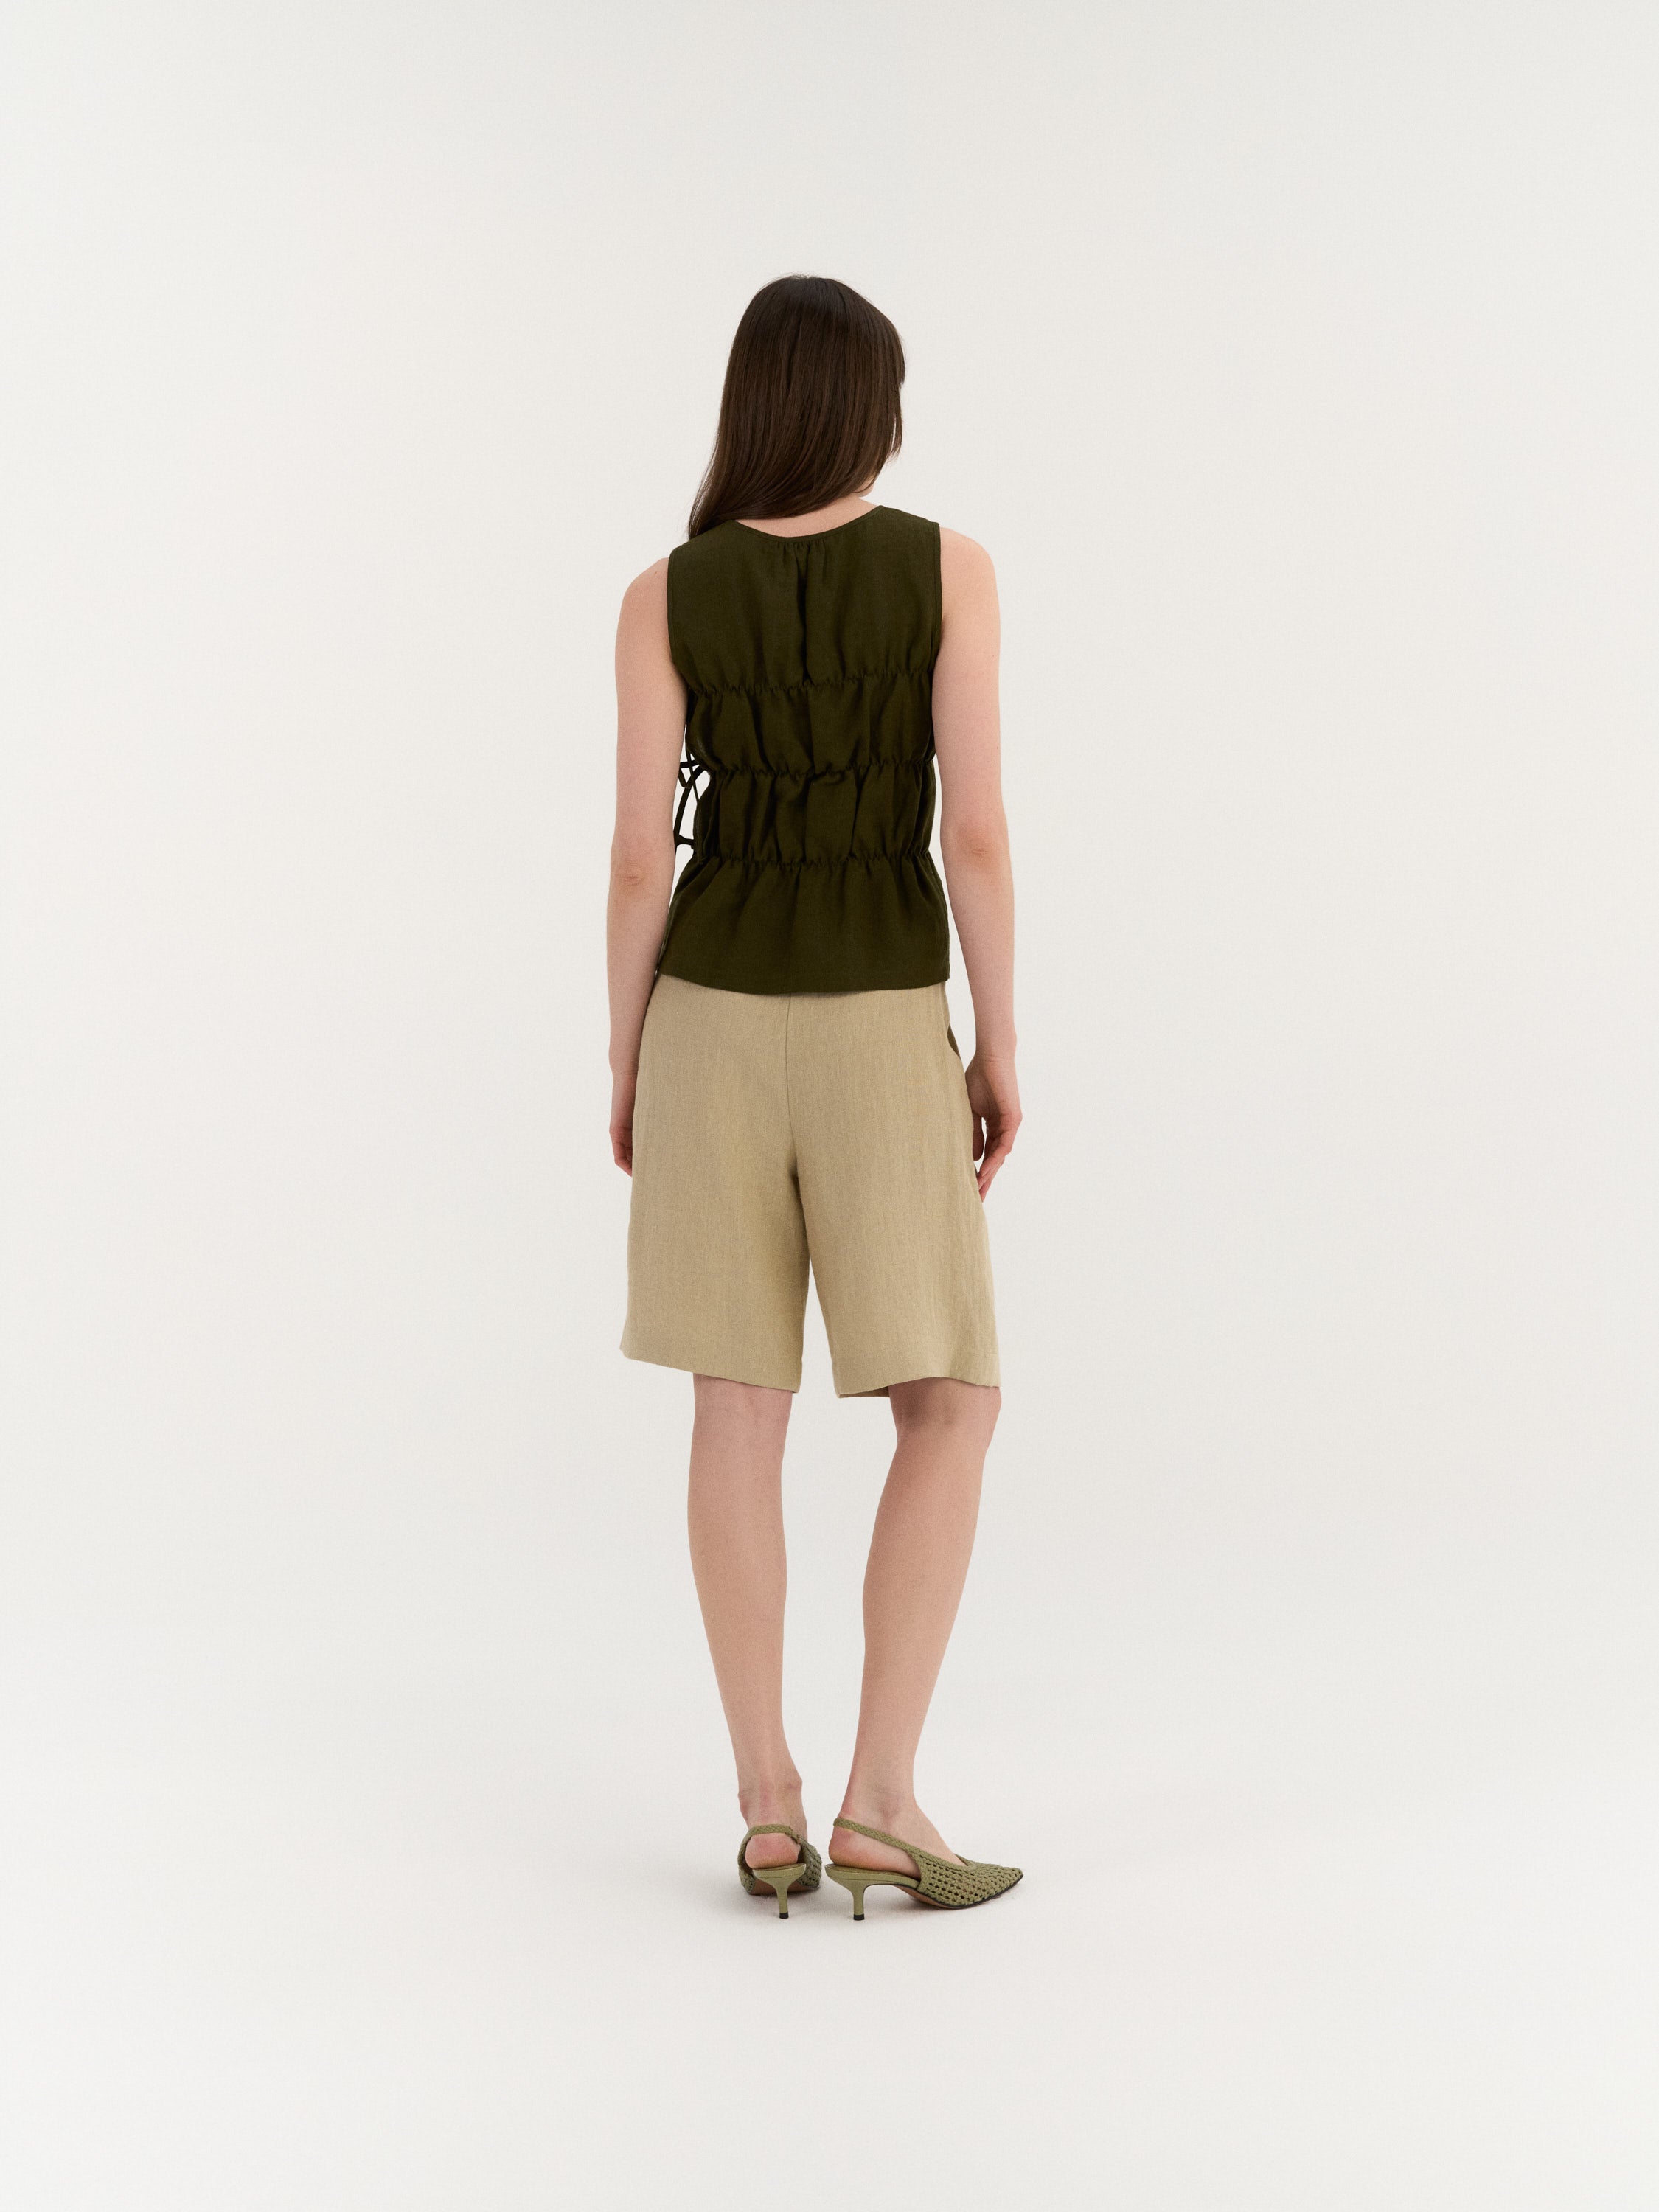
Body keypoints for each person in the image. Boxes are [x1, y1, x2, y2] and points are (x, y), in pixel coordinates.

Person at [606, 275, 1022, 1921]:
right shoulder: (948, 569)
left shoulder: (664, 593)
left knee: (735, 1410)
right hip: (876, 1015)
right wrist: (999, 1043)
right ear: (872, 409)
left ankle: (769, 1806)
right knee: (949, 1403)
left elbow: (638, 859)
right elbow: (973, 831)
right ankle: (883, 1801)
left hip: (707, 1019)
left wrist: (628, 1056)